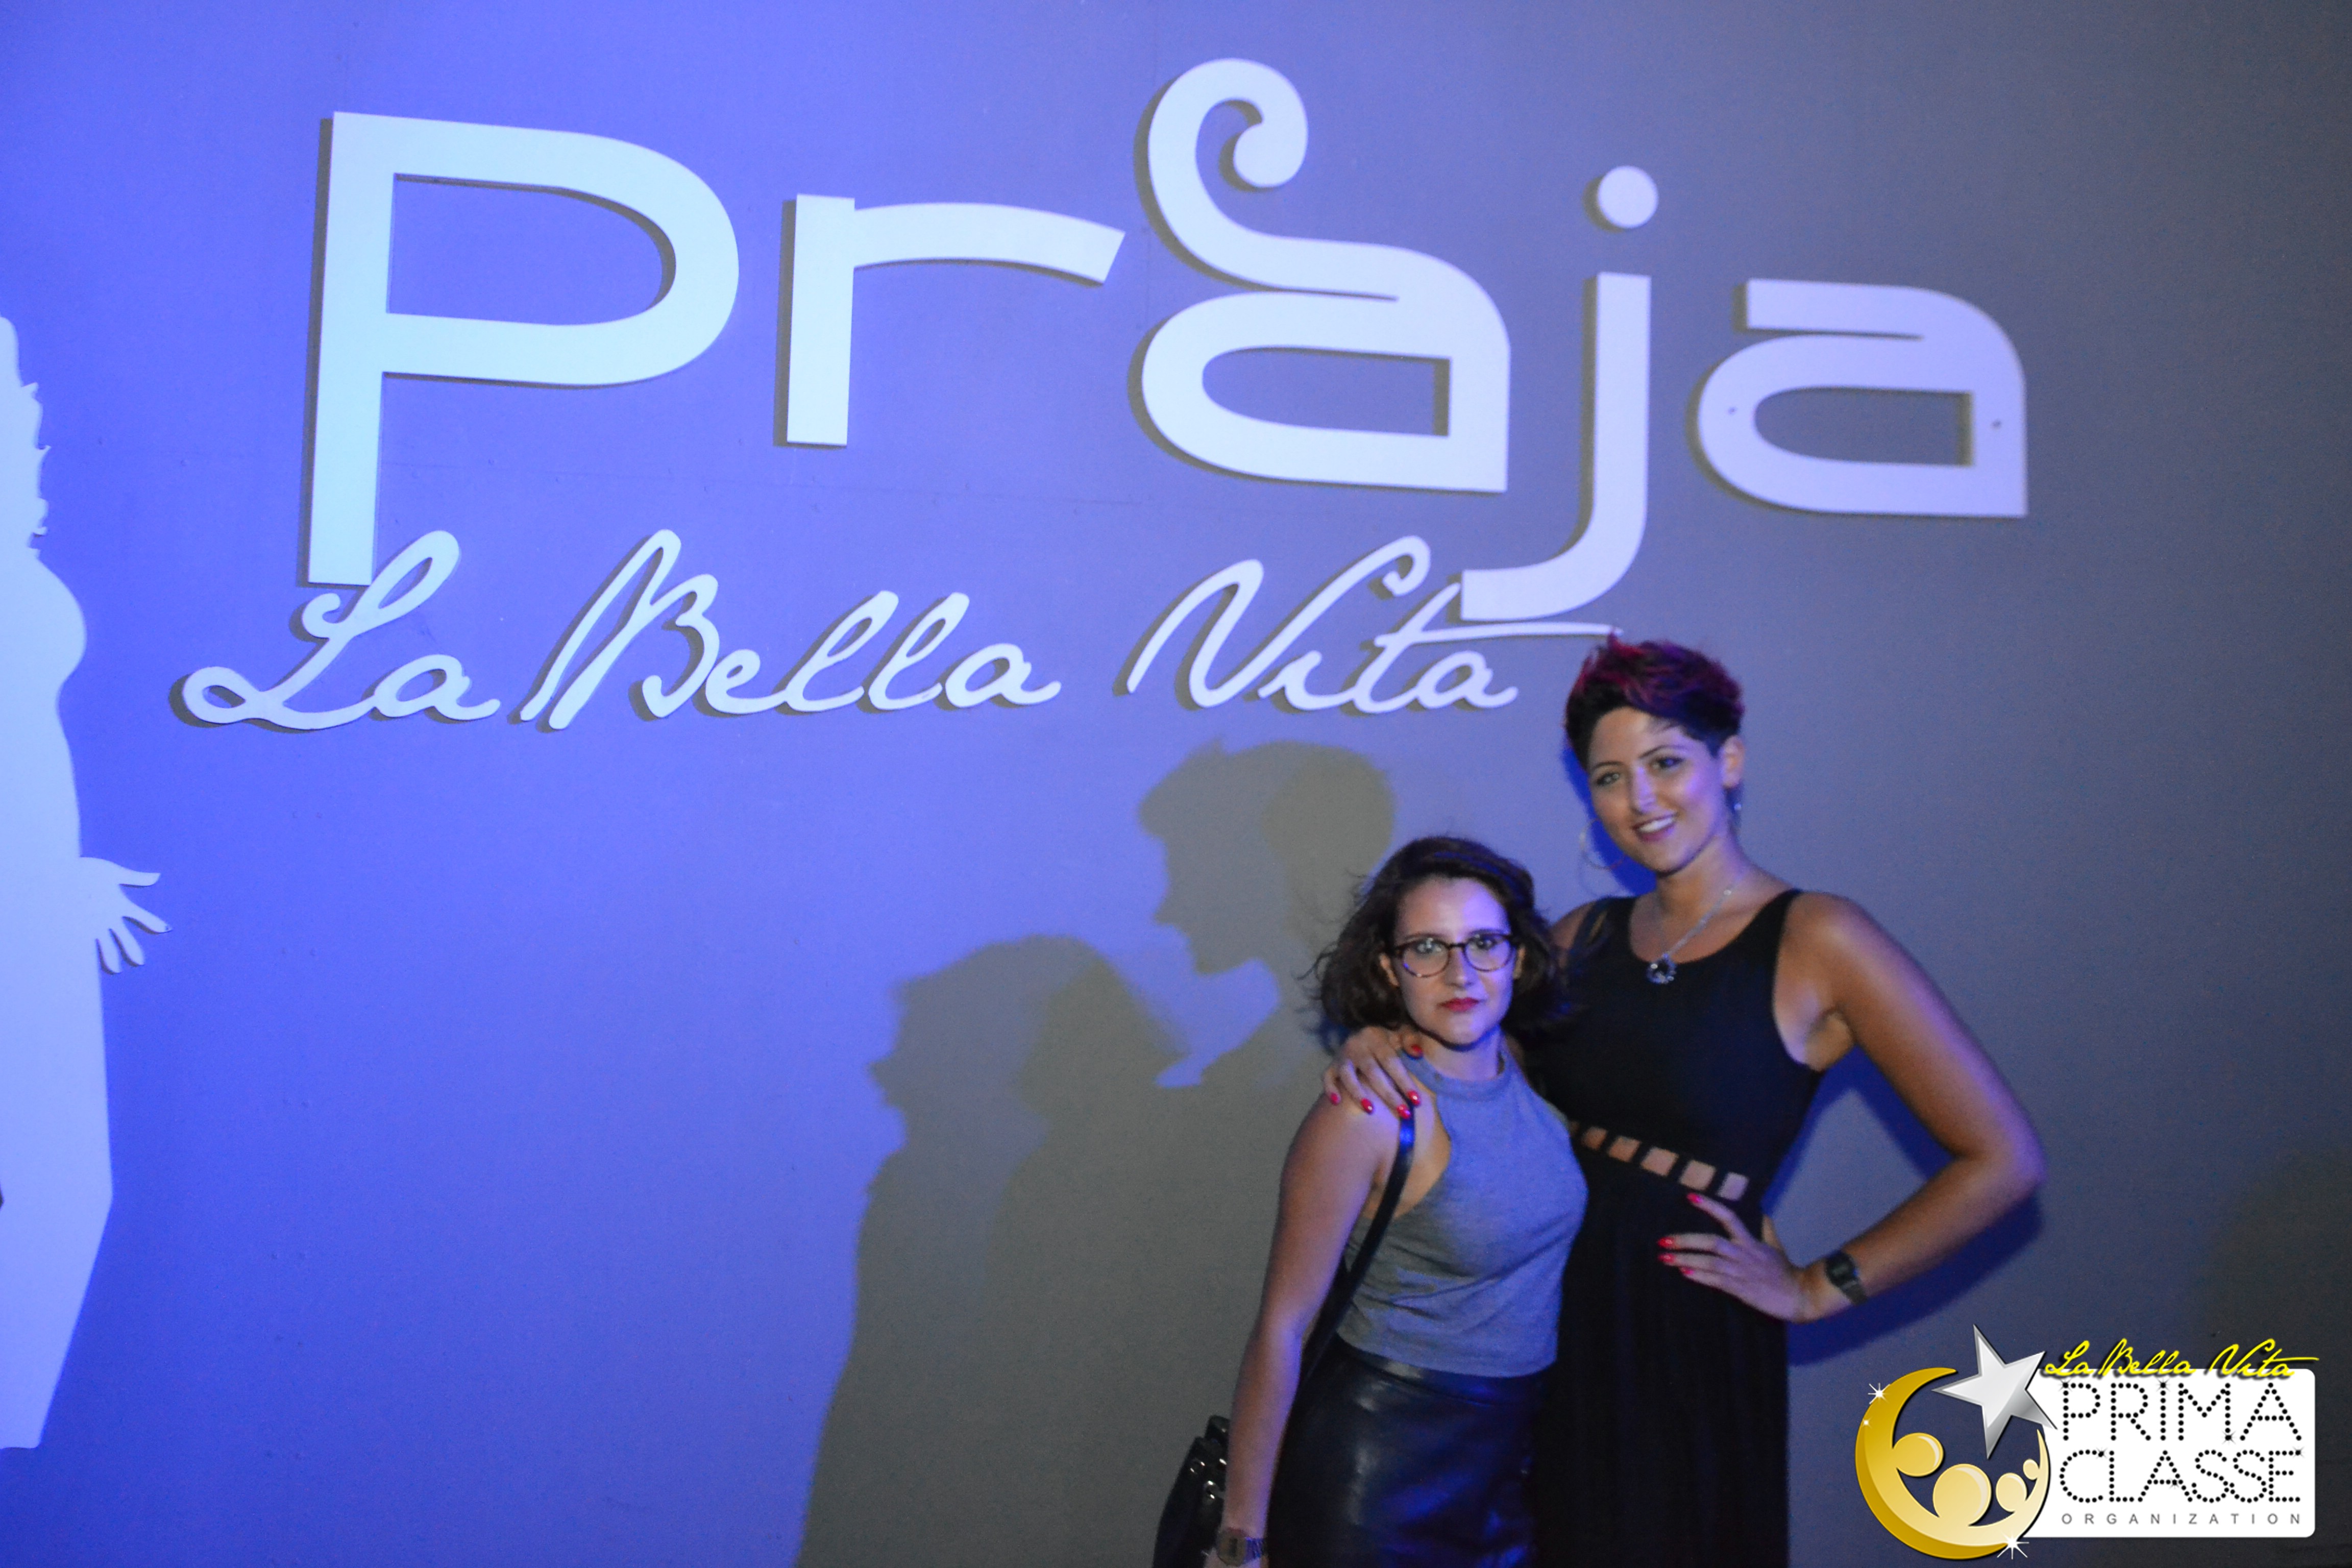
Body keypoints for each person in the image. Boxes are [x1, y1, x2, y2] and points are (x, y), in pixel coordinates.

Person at [1326, 638, 2045, 1568]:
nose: (1641, 799)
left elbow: (2003, 1160)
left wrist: (1816, 1288)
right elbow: (1478, 1075)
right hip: (1541, 1312)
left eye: (1666, 763)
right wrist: (1385, 1038)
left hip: (1684, 1334)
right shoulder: (1581, 938)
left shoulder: (1820, 938)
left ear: (1729, 760)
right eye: (1610, 777)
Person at [1213, 837, 1587, 1568]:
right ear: (1390, 967)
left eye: (1483, 943)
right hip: (1378, 1474)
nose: (1460, 973)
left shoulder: (1518, 1065)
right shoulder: (1369, 1113)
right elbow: (1283, 1329)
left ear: (1517, 958)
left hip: (1508, 1469)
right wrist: (1240, 1543)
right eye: (1427, 948)